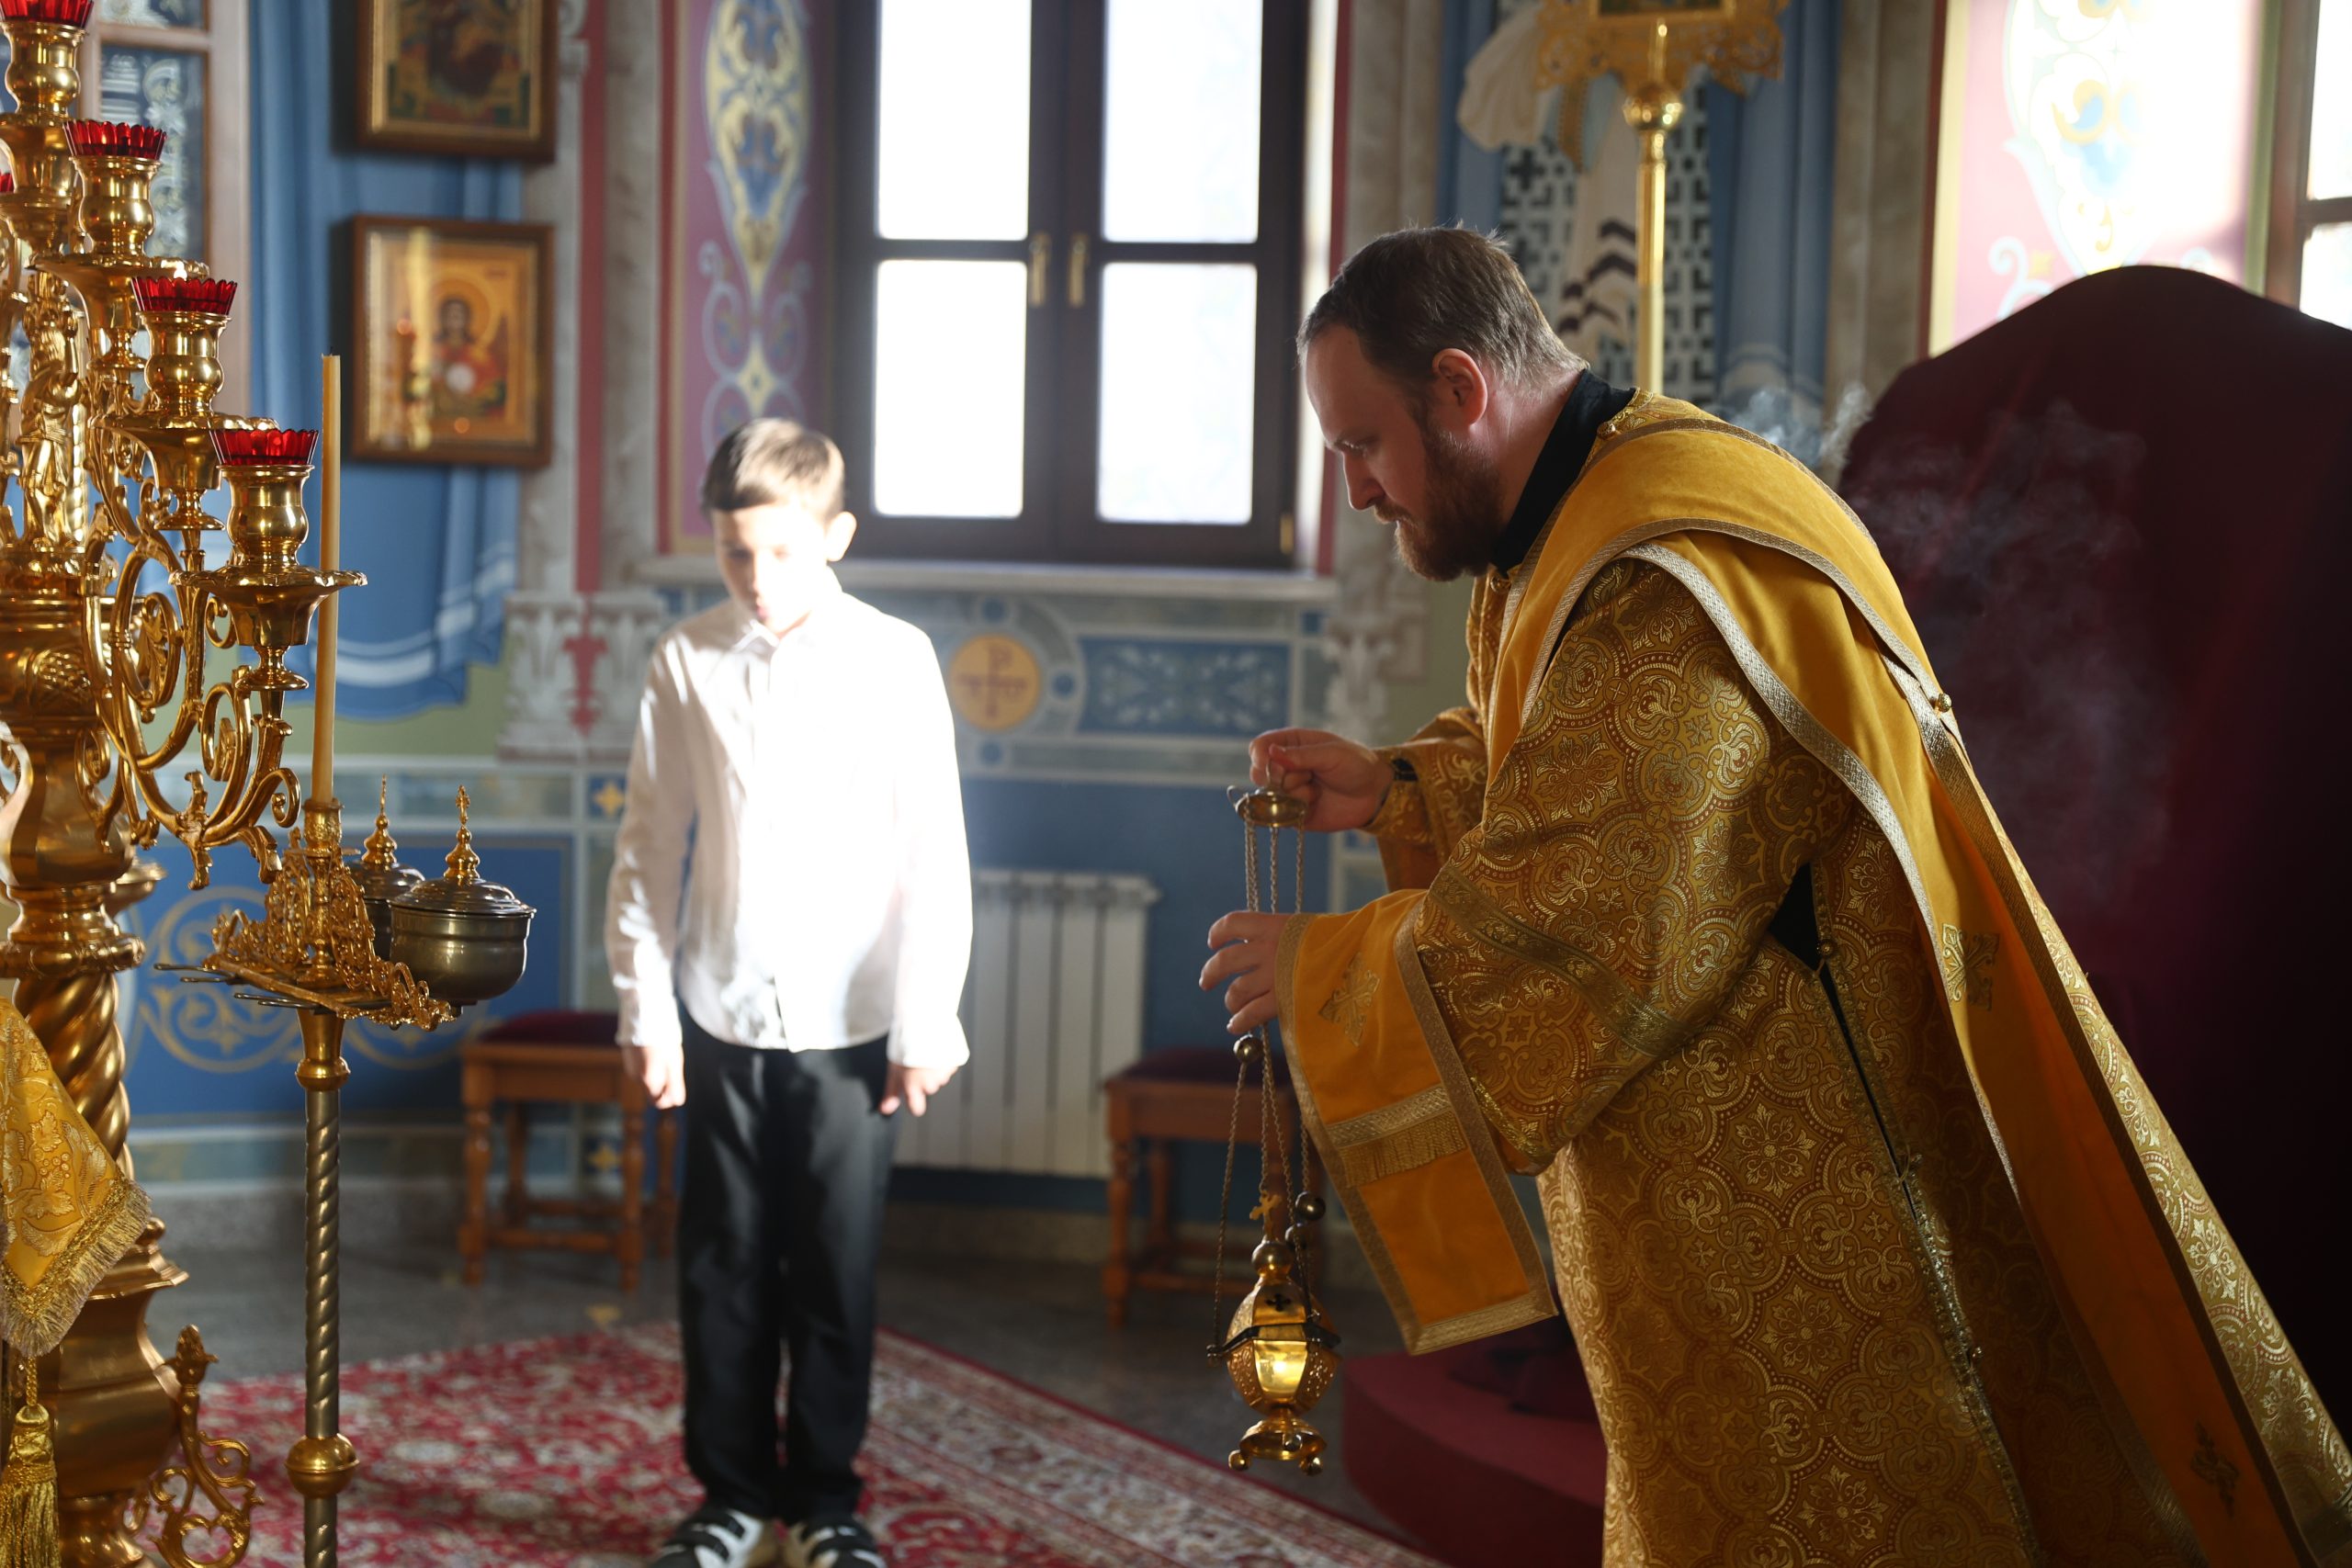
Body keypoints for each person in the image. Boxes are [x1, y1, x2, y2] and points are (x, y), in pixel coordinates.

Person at [1200, 228, 2347, 1566]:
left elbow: (1596, 909)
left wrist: (1326, 972)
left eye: (1362, 445)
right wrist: (1400, 784)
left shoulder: (1659, 569)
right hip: (1728, 1165)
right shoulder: (1592, 511)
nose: (1355, 490)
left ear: (1460, 389)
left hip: (1798, 1195)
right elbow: (1571, 751)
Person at [607, 419, 972, 1568]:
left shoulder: (897, 659)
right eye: (733, 553)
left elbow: (934, 854)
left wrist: (925, 1018)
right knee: (719, 1264)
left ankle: (824, 1504)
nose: (756, 577)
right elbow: (646, 849)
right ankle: (729, 1501)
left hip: (855, 1022)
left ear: (836, 535)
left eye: (780, 551)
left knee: (833, 1268)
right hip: (718, 1011)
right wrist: (647, 1012)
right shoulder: (684, 660)